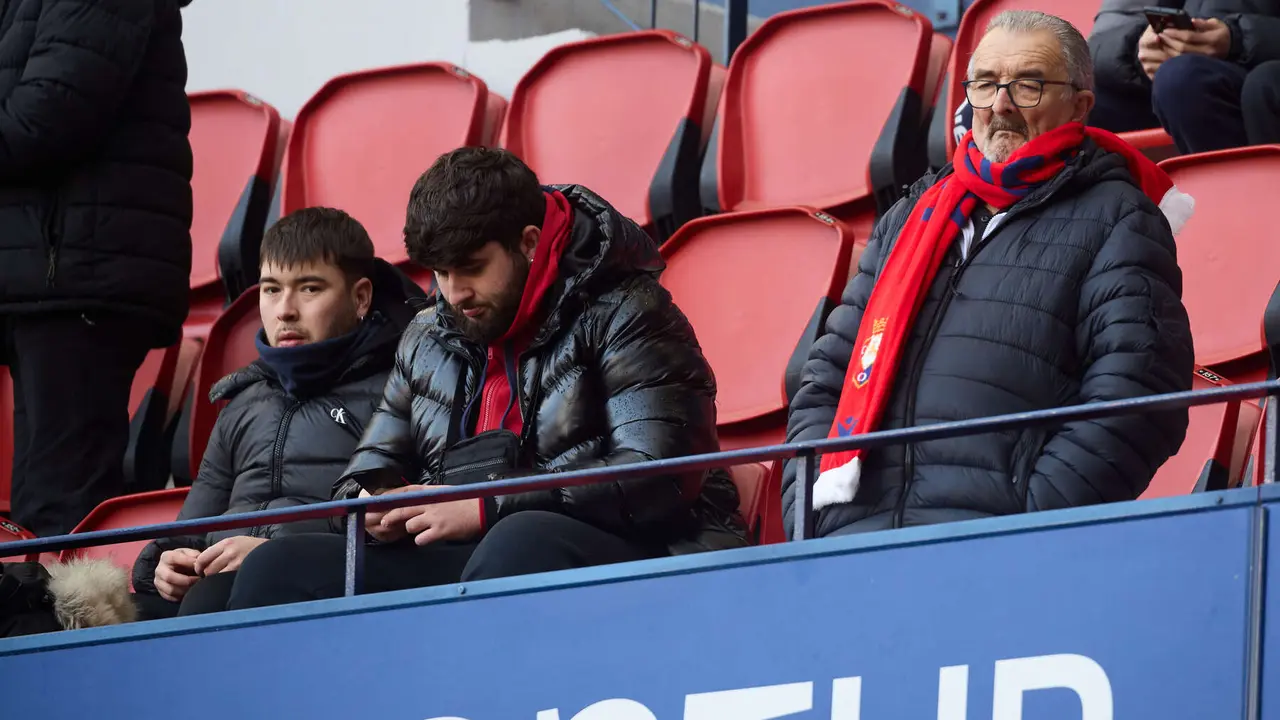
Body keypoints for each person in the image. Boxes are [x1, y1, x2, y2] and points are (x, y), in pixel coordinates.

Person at [226, 148, 747, 610]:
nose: (454, 293)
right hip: (469, 557)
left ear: (528, 242)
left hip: (634, 553)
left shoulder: (629, 310)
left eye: (472, 268)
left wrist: (487, 505)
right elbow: (373, 462)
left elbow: (659, 475)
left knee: (520, 540)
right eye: (440, 273)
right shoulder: (427, 333)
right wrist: (374, 501)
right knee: (281, 567)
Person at [782, 10, 1195, 539]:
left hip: (1001, 549)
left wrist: (1031, 518)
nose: (1000, 104)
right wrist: (811, 512)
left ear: (1080, 105)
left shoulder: (1119, 217)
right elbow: (827, 381)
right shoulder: (912, 216)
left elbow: (1137, 398)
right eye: (984, 84)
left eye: (1027, 86)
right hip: (854, 543)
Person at [130, 208, 424, 620]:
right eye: (271, 290)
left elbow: (398, 521)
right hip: (225, 582)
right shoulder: (243, 401)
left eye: (308, 289)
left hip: (327, 584)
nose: (284, 311)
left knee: (222, 596)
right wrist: (164, 564)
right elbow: (189, 531)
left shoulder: (400, 387)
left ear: (360, 297)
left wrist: (272, 550)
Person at [0, 0, 194, 537]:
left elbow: (46, 115)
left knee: (58, 505)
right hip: (44, 276)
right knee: (40, 507)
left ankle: (72, 622)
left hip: (76, 274)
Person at [1089, 0, 1280, 152]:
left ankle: (1235, 196)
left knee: (1182, 79)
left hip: (1251, 67)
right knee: (1075, 102)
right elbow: (1095, 45)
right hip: (1163, 74)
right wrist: (1143, 47)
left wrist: (1237, 39)